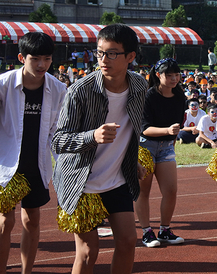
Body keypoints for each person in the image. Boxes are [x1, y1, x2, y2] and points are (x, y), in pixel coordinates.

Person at [52, 24, 147, 274]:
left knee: (128, 242)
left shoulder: (139, 87)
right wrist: (92, 136)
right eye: (100, 52)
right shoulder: (79, 91)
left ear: (130, 57)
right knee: (87, 252)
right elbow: (59, 140)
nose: (104, 59)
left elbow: (131, 129)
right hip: (80, 181)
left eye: (112, 53)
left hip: (116, 179)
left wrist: (131, 159)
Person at [0, 33, 66, 274]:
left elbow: (57, 131)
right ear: (21, 58)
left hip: (36, 165)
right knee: (4, 222)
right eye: (35, 59)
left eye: (47, 59)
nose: (42, 65)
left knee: (32, 219)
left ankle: (27, 271)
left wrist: (63, 165)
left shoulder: (58, 89)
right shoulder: (4, 85)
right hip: (5, 164)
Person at [136, 58, 186, 248]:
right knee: (143, 191)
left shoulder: (180, 96)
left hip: (166, 147)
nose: (174, 79)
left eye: (177, 74)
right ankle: (147, 231)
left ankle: (165, 229)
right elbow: (144, 129)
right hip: (146, 147)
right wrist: (167, 131)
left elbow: (176, 125)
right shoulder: (149, 96)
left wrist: (170, 140)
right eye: (169, 75)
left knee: (171, 190)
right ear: (158, 75)